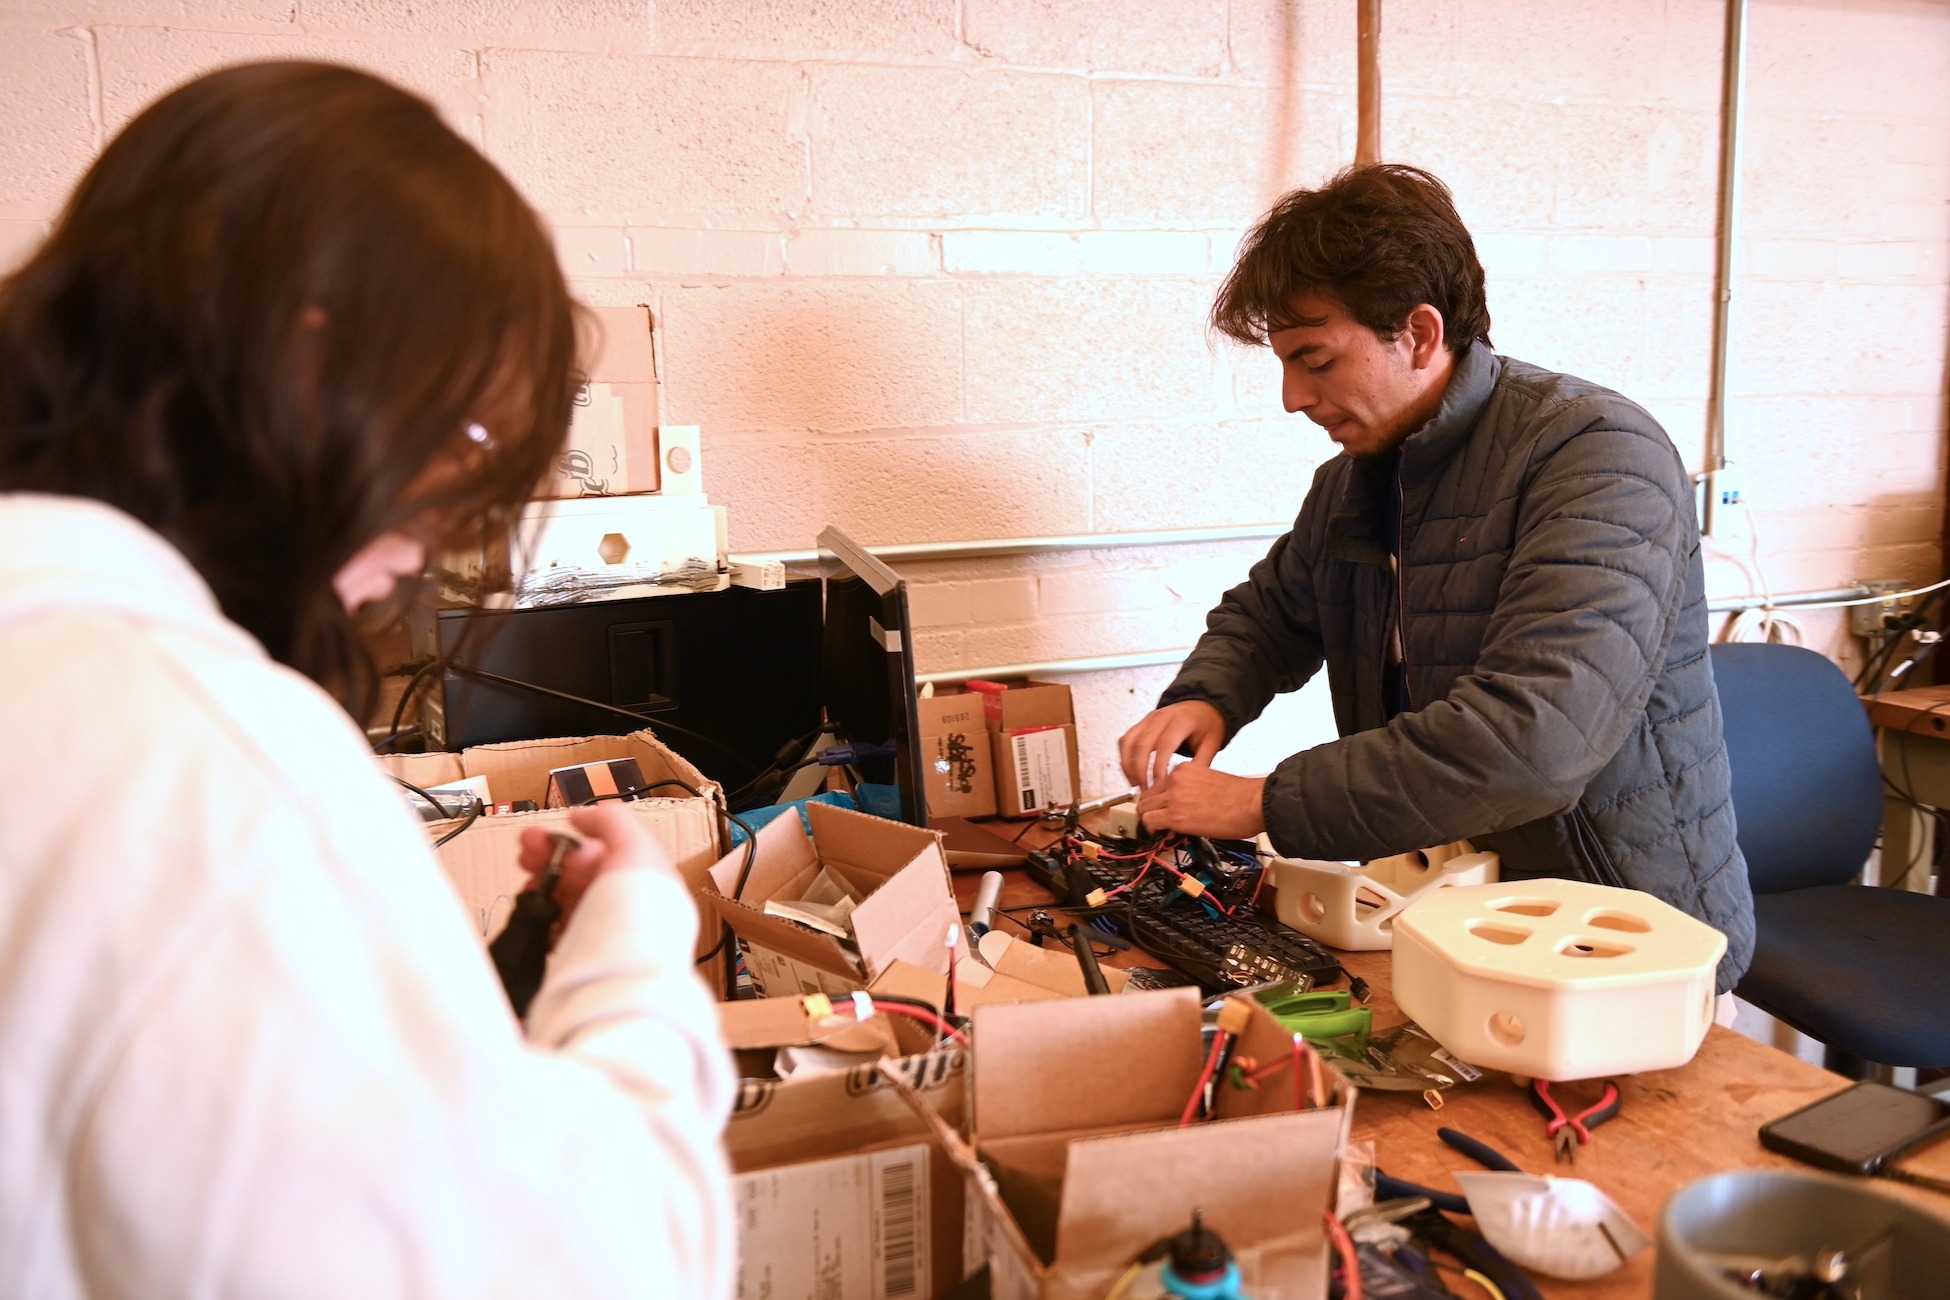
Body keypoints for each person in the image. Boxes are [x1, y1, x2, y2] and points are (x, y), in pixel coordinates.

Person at [0, 63, 734, 1296]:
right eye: (466, 438)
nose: (423, 536)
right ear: (307, 360)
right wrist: (631, 954)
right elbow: (604, 1271)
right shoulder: (212, 774)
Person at [1120, 164, 1754, 993]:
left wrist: (1264, 802)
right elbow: (1275, 612)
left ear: (1418, 334)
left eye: (1314, 360)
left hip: (1626, 952)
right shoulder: (1359, 475)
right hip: (1452, 929)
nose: (1292, 397)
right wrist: (1205, 697)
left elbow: (1535, 738)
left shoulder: (1598, 455)